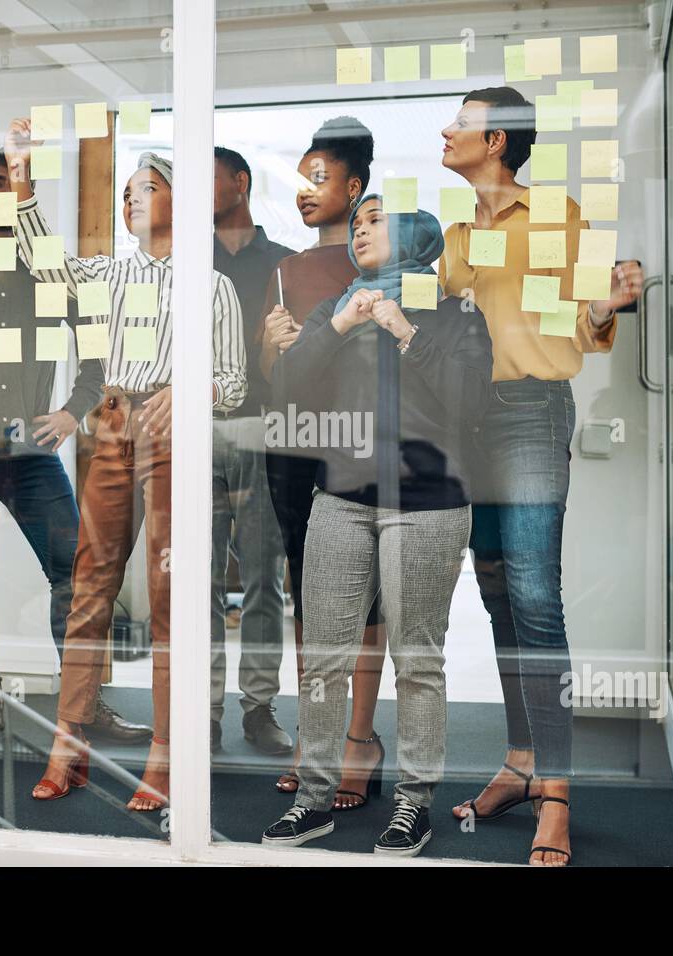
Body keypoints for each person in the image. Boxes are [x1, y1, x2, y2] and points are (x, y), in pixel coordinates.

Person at [1, 119, 246, 810]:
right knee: (89, 586)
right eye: (129, 190)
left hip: (174, 435)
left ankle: (167, 755)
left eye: (149, 186)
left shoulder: (211, 287)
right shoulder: (111, 273)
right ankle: (68, 744)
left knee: (169, 598)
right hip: (112, 423)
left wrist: (191, 386)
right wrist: (23, 178)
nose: (132, 198)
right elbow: (47, 267)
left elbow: (236, 379)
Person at [438, 87, 643, 866]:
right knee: (493, 593)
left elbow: (585, 327)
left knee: (533, 594)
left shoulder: (559, 215)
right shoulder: (456, 237)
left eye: (461, 123)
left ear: (496, 141)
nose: (447, 130)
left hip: (531, 411)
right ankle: (520, 763)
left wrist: (609, 302)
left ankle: (556, 789)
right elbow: (440, 330)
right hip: (468, 421)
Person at [262, 195, 493, 857]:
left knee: (417, 662)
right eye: (356, 222)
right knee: (323, 663)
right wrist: (333, 329)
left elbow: (471, 403)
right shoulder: (336, 309)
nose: (361, 228)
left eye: (377, 219)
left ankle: (412, 808)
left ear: (417, 237)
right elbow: (288, 396)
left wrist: (404, 331)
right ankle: (312, 804)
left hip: (428, 499)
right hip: (340, 499)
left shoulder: (453, 313)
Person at [0, 151, 152, 754]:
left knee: (74, 574)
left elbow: (97, 345)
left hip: (31, 449)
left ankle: (83, 704)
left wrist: (76, 409)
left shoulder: (47, 267)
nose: (4, 194)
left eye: (15, 185)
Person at [259, 117, 390, 808]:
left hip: (361, 441)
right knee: (308, 593)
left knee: (364, 595)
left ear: (355, 186)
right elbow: (272, 373)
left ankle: (360, 739)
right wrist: (275, 346)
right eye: (301, 179)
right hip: (293, 442)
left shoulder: (383, 260)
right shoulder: (285, 270)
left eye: (319, 179)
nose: (306, 192)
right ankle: (319, 736)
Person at [209, 146, 295, 756]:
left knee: (265, 577)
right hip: (195, 431)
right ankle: (204, 709)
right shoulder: (185, 262)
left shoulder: (285, 264)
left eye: (208, 179)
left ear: (241, 183)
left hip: (264, 431)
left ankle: (258, 709)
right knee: (200, 580)